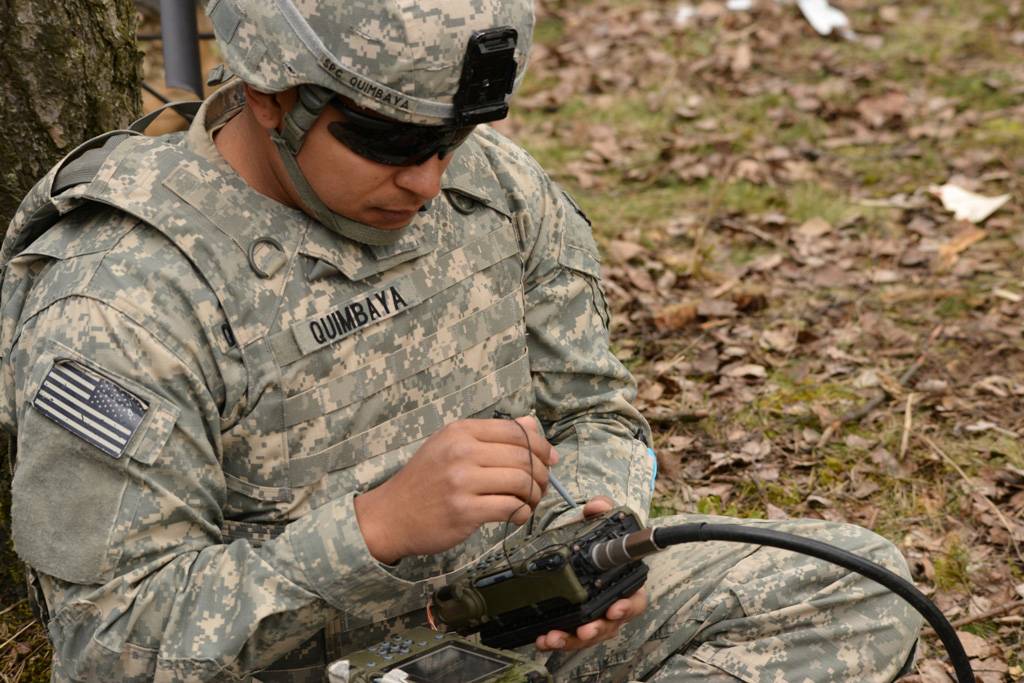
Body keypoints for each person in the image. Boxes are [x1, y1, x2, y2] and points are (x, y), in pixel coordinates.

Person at [0, 1, 921, 681]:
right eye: (393, 141)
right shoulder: (121, 297)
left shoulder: (490, 188)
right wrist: (375, 531)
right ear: (272, 96)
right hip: (306, 668)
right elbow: (112, 646)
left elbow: (597, 410)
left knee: (858, 587)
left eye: (455, 137)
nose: (430, 181)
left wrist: (586, 544)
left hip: (500, 629)